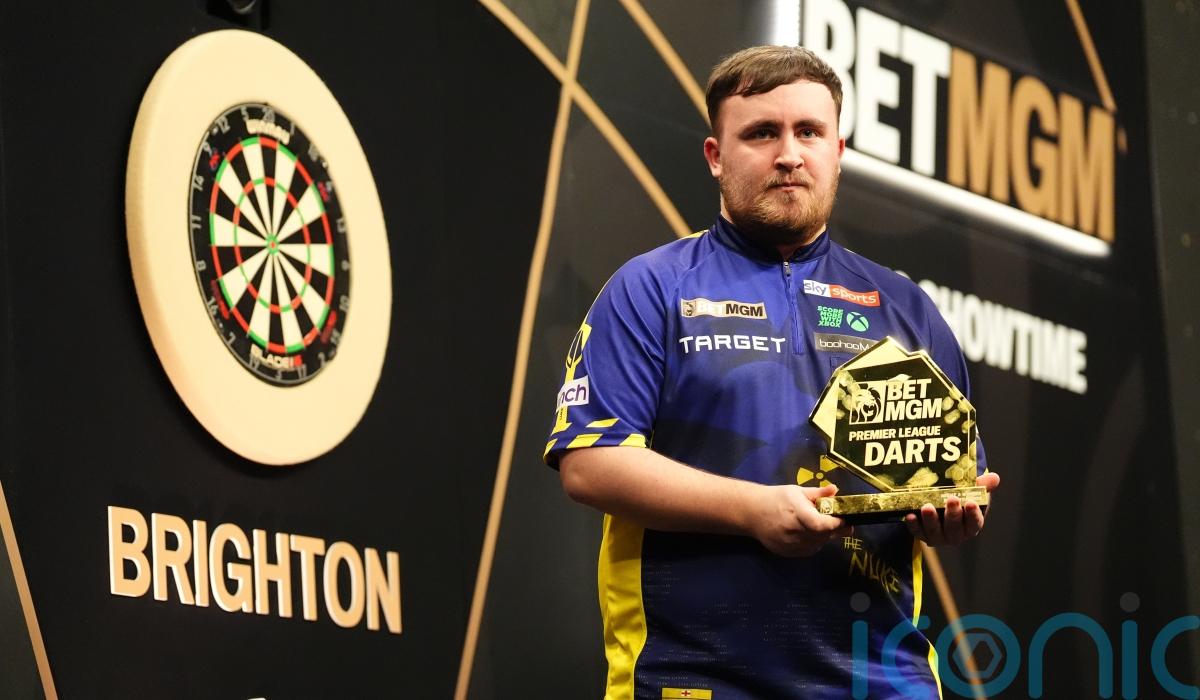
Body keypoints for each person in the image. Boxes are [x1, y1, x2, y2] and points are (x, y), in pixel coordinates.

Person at [544, 45, 1000, 699]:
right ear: (715, 155)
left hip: (882, 681)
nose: (789, 154)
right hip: (696, 675)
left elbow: (955, 480)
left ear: (837, 151)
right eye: (761, 133)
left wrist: (952, 514)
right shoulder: (650, 288)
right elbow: (590, 464)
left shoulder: (906, 309)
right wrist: (753, 510)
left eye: (808, 132)